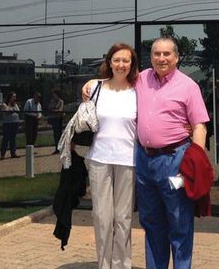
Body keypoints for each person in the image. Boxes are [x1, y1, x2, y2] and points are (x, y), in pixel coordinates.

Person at [134, 37, 209, 269]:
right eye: (157, 53)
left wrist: (194, 161)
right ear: (151, 57)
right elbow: (115, 78)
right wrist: (91, 84)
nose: (161, 58)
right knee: (151, 223)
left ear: (176, 58)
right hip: (144, 161)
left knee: (179, 222)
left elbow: (199, 126)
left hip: (175, 161)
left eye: (167, 54)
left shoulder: (188, 86)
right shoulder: (141, 79)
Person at [81, 43, 139, 269]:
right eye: (117, 60)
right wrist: (86, 85)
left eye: (126, 60)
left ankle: (121, 265)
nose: (121, 64)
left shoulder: (138, 90)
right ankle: (104, 265)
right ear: (109, 62)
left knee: (123, 218)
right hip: (99, 159)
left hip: (128, 160)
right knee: (102, 218)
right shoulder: (95, 87)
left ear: (132, 64)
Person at [0, 92, 20, 159]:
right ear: (10, 97)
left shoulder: (15, 104)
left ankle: (13, 153)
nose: (14, 98)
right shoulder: (4, 104)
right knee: (6, 139)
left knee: (13, 138)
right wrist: (12, 109)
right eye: (13, 97)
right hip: (7, 123)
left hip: (15, 122)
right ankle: (2, 155)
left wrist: (12, 109)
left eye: (15, 97)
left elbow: (18, 110)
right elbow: (7, 110)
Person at [48, 89, 65, 155]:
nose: (53, 96)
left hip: (59, 119)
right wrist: (55, 110)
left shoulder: (61, 101)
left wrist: (54, 110)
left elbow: (60, 110)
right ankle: (56, 149)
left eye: (55, 95)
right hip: (54, 119)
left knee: (59, 134)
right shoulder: (52, 101)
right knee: (55, 134)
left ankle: (61, 148)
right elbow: (49, 108)